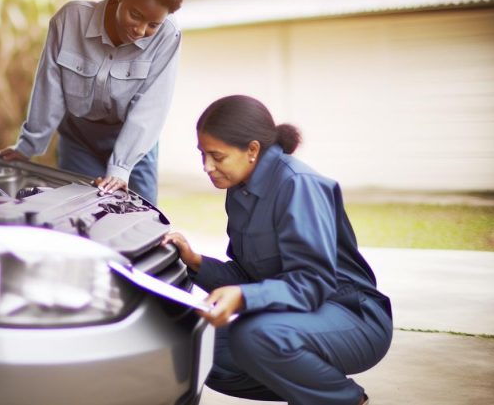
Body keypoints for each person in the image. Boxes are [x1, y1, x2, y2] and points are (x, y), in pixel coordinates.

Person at [161, 95, 392, 405]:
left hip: (353, 317)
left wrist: (244, 297)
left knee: (256, 336)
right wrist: (195, 261)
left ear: (252, 150)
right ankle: (318, 395)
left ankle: (342, 400)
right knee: (207, 353)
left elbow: (313, 283)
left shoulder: (299, 184)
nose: (207, 167)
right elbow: (250, 274)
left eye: (217, 156)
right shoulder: (239, 189)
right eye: (202, 155)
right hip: (300, 316)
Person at [0, 0, 185, 205]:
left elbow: (151, 106)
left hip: (133, 140)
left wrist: (120, 167)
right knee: (77, 211)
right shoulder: (70, 20)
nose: (140, 30)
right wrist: (28, 145)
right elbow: (49, 87)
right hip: (78, 139)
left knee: (140, 216)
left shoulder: (168, 36)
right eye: (135, 15)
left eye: (152, 25)